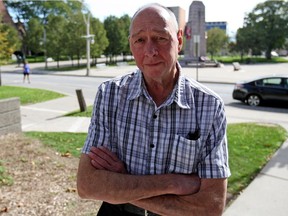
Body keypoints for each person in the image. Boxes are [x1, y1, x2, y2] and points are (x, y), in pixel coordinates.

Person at [77, 3, 230, 216]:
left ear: (178, 40)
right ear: (131, 45)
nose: (150, 51)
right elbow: (88, 185)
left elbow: (210, 207)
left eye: (160, 37)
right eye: (140, 40)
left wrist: (123, 180)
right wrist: (173, 182)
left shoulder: (209, 106)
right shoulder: (110, 94)